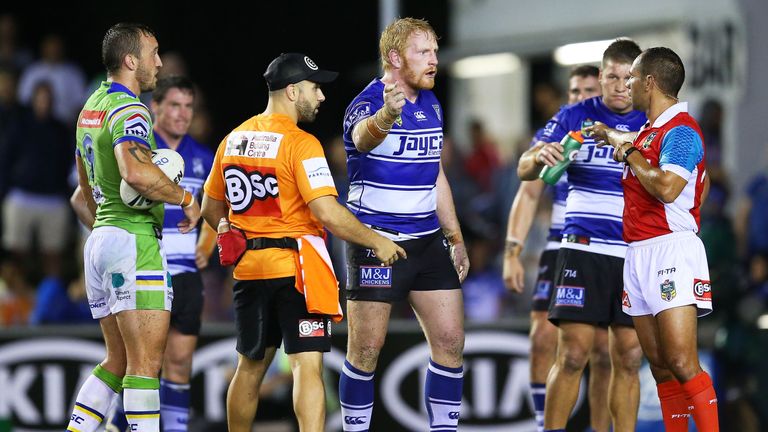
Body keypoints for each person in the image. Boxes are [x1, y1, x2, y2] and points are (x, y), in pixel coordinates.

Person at [200, 52, 404, 432]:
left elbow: (210, 207)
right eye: (315, 88)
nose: (321, 96)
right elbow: (326, 212)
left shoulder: (232, 140)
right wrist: (375, 240)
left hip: (249, 271)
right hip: (297, 274)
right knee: (306, 366)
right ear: (292, 91)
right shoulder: (302, 143)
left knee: (249, 367)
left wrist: (230, 231)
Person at [66, 23, 200, 432]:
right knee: (145, 366)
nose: (158, 62)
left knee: (117, 360)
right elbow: (135, 172)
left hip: (100, 241)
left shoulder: (91, 106)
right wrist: (185, 199)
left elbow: (80, 194)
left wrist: (109, 233)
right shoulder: (131, 108)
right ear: (131, 61)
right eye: (153, 52)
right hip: (133, 241)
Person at [338, 17, 469, 432]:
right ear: (395, 58)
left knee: (450, 343)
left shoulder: (432, 103)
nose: (434, 61)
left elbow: (436, 173)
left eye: (434, 51)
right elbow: (361, 139)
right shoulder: (368, 102)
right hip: (376, 241)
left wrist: (456, 237)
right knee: (366, 351)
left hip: (428, 241)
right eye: (423, 52)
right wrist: (385, 117)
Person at [518, 39, 647, 432]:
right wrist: (539, 156)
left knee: (625, 357)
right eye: (612, 77)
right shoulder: (574, 116)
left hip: (634, 253)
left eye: (629, 78)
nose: (621, 85)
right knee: (573, 354)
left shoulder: (654, 122)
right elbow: (525, 168)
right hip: (581, 250)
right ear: (601, 77)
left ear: (641, 80)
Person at [587, 47, 718, 432]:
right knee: (660, 367)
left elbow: (667, 187)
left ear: (649, 82)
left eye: (631, 78)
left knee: (681, 361)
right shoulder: (650, 133)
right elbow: (702, 182)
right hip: (639, 253)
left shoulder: (681, 131)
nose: (625, 85)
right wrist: (614, 136)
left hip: (671, 251)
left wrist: (626, 149)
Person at [96, 75, 216, 431]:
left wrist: (207, 242)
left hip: (187, 275)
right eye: (174, 105)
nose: (182, 114)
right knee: (144, 365)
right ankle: (118, 424)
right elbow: (83, 197)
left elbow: (217, 209)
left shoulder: (203, 157)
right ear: (156, 108)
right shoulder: (138, 148)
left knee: (179, 364)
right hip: (146, 264)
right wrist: (109, 237)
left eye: (188, 106)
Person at [503, 64, 613, 432]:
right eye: (574, 92)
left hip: (609, 244)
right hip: (560, 241)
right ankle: (541, 425)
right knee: (543, 338)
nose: (580, 98)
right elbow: (529, 189)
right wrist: (512, 251)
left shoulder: (615, 131)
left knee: (604, 352)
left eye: (588, 91)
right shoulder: (560, 131)